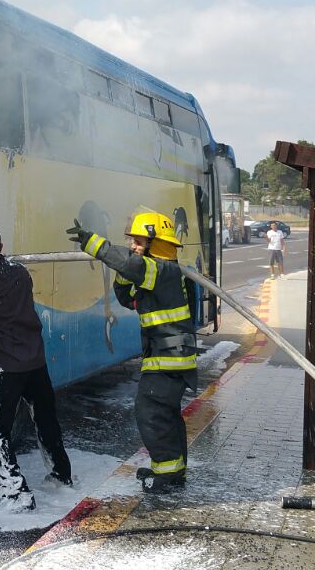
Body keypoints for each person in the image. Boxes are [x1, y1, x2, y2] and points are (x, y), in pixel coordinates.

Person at [66, 211, 195, 494]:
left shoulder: (161, 271)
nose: (135, 247)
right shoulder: (155, 273)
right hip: (168, 357)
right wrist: (123, 273)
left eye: (139, 241)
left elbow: (129, 263)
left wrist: (93, 243)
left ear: (156, 243)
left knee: (150, 412)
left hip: (168, 359)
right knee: (166, 414)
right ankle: (172, 469)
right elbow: (127, 298)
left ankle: (167, 476)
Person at [0, 226, 73, 512]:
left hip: (6, 366)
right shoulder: (20, 272)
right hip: (35, 360)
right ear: (2, 245)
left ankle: (16, 494)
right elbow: (3, 284)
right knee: (45, 418)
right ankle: (61, 474)